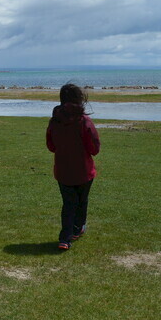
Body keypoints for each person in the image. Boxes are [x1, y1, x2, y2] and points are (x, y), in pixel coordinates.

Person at [45, 83, 101, 251]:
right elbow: (94, 148)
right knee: (81, 202)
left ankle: (66, 238)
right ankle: (76, 230)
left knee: (69, 204)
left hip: (63, 171)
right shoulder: (84, 121)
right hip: (84, 171)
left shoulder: (55, 121)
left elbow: (51, 146)